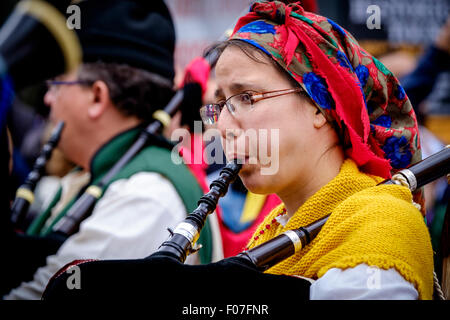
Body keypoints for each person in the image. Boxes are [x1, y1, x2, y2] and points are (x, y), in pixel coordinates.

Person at [198, 0, 433, 299]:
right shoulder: (277, 227)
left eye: (246, 97)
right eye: (220, 106)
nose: (223, 127)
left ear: (319, 105)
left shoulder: (380, 230)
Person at [2, 0, 218, 300]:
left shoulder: (144, 196)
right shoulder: (91, 177)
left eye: (57, 84)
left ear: (97, 97)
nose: (49, 99)